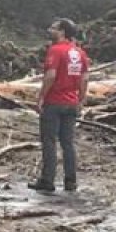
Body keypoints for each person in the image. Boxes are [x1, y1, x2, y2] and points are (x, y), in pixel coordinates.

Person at [29, 18, 90, 194]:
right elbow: (85, 78)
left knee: (49, 141)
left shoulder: (55, 51)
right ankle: (70, 181)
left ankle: (47, 180)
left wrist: (41, 97)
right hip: (71, 102)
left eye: (54, 28)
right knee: (68, 143)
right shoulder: (80, 53)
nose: (50, 30)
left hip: (54, 101)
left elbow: (50, 75)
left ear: (62, 32)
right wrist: (81, 98)